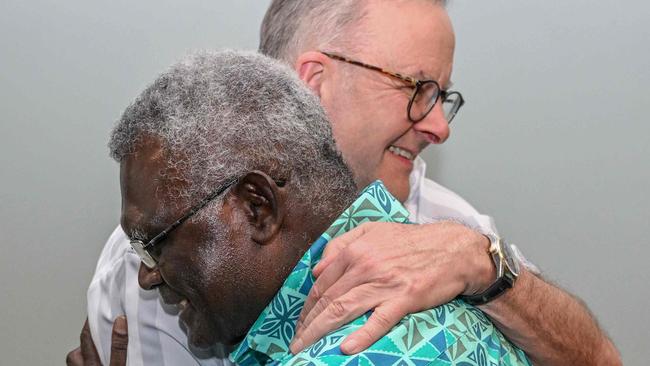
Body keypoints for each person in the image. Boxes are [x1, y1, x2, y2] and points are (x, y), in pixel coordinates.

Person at [74, 1, 621, 365]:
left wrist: (487, 265)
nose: (440, 125)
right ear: (315, 82)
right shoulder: (161, 255)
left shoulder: (451, 225)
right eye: (418, 88)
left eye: (442, 95)